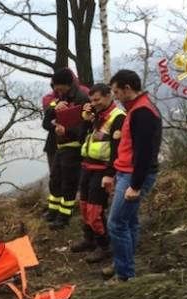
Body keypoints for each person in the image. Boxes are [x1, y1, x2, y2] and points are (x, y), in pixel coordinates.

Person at [104, 70, 162, 282]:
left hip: (133, 176)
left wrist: (135, 185)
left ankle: (125, 273)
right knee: (129, 222)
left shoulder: (142, 112)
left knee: (116, 224)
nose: (115, 96)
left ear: (128, 88)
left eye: (116, 91)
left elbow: (145, 152)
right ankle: (125, 263)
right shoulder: (137, 108)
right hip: (127, 173)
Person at [70, 84, 126, 264]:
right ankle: (89, 239)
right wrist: (86, 119)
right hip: (87, 166)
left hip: (102, 170)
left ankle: (105, 246)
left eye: (98, 99)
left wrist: (110, 174)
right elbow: (81, 139)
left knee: (95, 212)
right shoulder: (96, 116)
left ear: (109, 96)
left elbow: (118, 150)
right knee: (84, 207)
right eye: (91, 100)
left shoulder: (118, 117)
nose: (95, 103)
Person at [43, 68, 90, 230]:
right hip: (60, 146)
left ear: (67, 84)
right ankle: (53, 210)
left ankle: (64, 216)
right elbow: (46, 123)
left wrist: (66, 131)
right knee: (55, 179)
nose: (56, 90)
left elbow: (85, 126)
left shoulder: (82, 98)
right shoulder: (59, 99)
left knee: (68, 182)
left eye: (59, 87)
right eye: (55, 87)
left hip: (74, 147)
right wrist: (54, 110)